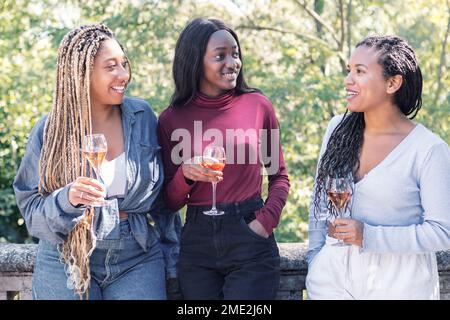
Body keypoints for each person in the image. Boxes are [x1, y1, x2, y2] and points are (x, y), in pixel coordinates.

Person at [13, 23, 180, 300]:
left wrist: (174, 264)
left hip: (136, 255)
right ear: (82, 72)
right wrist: (67, 199)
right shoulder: (50, 131)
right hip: (66, 256)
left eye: (124, 64)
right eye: (111, 66)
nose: (123, 74)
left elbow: (163, 204)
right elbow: (31, 210)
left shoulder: (143, 117)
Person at [306, 35, 450, 299]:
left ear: (393, 82)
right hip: (333, 282)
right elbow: (318, 202)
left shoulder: (429, 150)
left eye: (360, 71)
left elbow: (443, 232)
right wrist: (316, 261)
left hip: (401, 285)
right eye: (349, 70)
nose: (348, 80)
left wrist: (369, 236)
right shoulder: (337, 130)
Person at [157, 18, 290, 300]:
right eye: (220, 56)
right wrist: (186, 175)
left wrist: (264, 222)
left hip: (250, 236)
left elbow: (279, 177)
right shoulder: (171, 119)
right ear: (195, 61)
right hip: (197, 243)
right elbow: (168, 201)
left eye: (235, 53)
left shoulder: (258, 106)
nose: (232, 62)